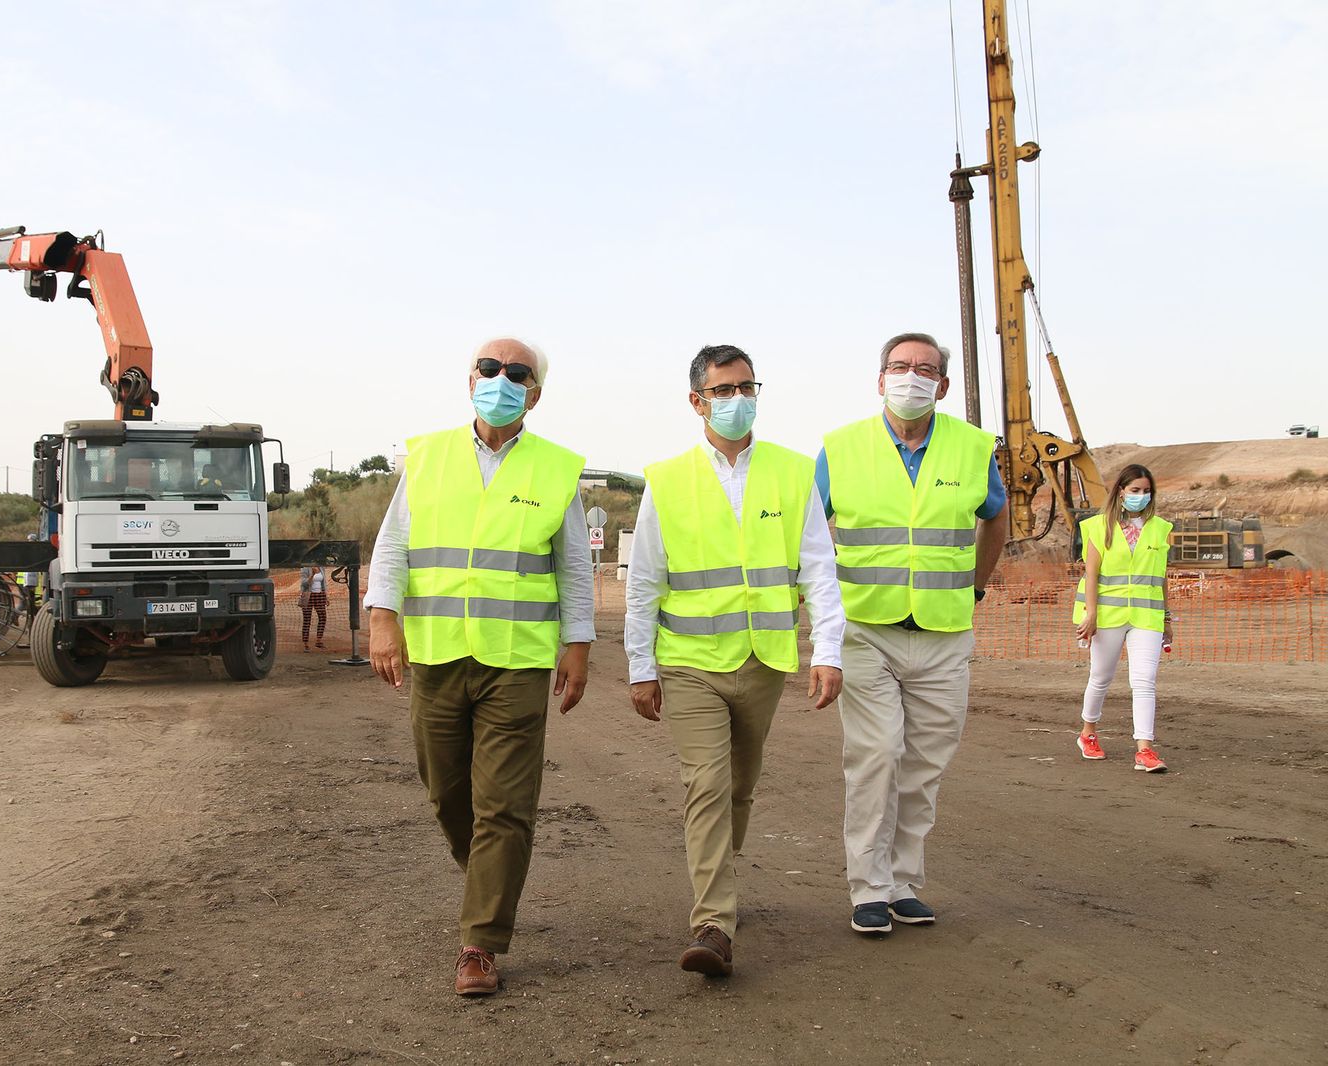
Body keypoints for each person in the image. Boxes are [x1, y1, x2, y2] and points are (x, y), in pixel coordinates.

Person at [366, 338, 593, 997]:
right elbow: (395, 544)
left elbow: (574, 568)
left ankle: (480, 944)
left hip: (515, 663)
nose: (501, 379)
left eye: (516, 373)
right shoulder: (428, 455)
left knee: (505, 806)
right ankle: (491, 876)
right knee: (446, 793)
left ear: (535, 392)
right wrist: (384, 618)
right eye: (489, 369)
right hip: (436, 653)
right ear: (470, 381)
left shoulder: (557, 470)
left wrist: (577, 647)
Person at [626, 344, 845, 977]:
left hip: (764, 661)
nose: (738, 398)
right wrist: (642, 665)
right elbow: (643, 583)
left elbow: (818, 570)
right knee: (708, 785)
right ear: (697, 401)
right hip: (691, 662)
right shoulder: (665, 480)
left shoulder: (794, 471)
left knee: (739, 789)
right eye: (724, 389)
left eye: (747, 386)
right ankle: (714, 922)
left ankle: (716, 880)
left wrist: (826, 650)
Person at [818, 331, 1009, 936]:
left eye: (925, 369)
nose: (912, 377)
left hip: (943, 632)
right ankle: (868, 888)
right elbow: (809, 534)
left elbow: (996, 517)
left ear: (943, 386)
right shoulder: (839, 448)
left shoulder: (974, 448)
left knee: (925, 762)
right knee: (876, 756)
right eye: (899, 367)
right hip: (865, 629)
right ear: (879, 380)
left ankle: (903, 882)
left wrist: (975, 586)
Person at [1073, 464, 1173, 772]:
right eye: (1135, 491)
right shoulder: (1098, 526)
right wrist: (1091, 615)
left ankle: (1145, 750)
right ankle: (1088, 733)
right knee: (1101, 678)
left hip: (1146, 617)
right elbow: (1091, 574)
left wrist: (1167, 619)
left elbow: (1162, 577)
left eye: (1146, 491)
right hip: (1107, 616)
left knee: (1144, 682)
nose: (1140, 496)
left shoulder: (1160, 529)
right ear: (1121, 492)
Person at [299, 564, 328, 649]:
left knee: (323, 617)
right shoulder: (305, 568)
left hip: (319, 595)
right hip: (308, 595)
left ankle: (319, 640)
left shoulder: (321, 567)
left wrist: (326, 596)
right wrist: (312, 575)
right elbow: (304, 584)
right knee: (307, 619)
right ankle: (305, 643)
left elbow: (324, 583)